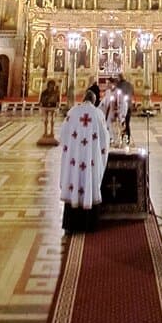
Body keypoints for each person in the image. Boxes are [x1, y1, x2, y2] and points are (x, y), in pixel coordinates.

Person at [58, 87, 109, 232]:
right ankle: (89, 224)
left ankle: (71, 224)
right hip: (91, 157)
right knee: (90, 180)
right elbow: (104, 138)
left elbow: (63, 134)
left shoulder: (73, 112)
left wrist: (72, 147)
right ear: (94, 101)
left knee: (74, 180)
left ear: (83, 99)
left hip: (74, 158)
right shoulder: (98, 113)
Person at [117, 75, 133, 145]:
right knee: (127, 123)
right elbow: (132, 93)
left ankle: (122, 138)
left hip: (122, 107)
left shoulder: (118, 85)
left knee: (122, 123)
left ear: (119, 78)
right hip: (129, 106)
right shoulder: (130, 85)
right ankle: (128, 139)